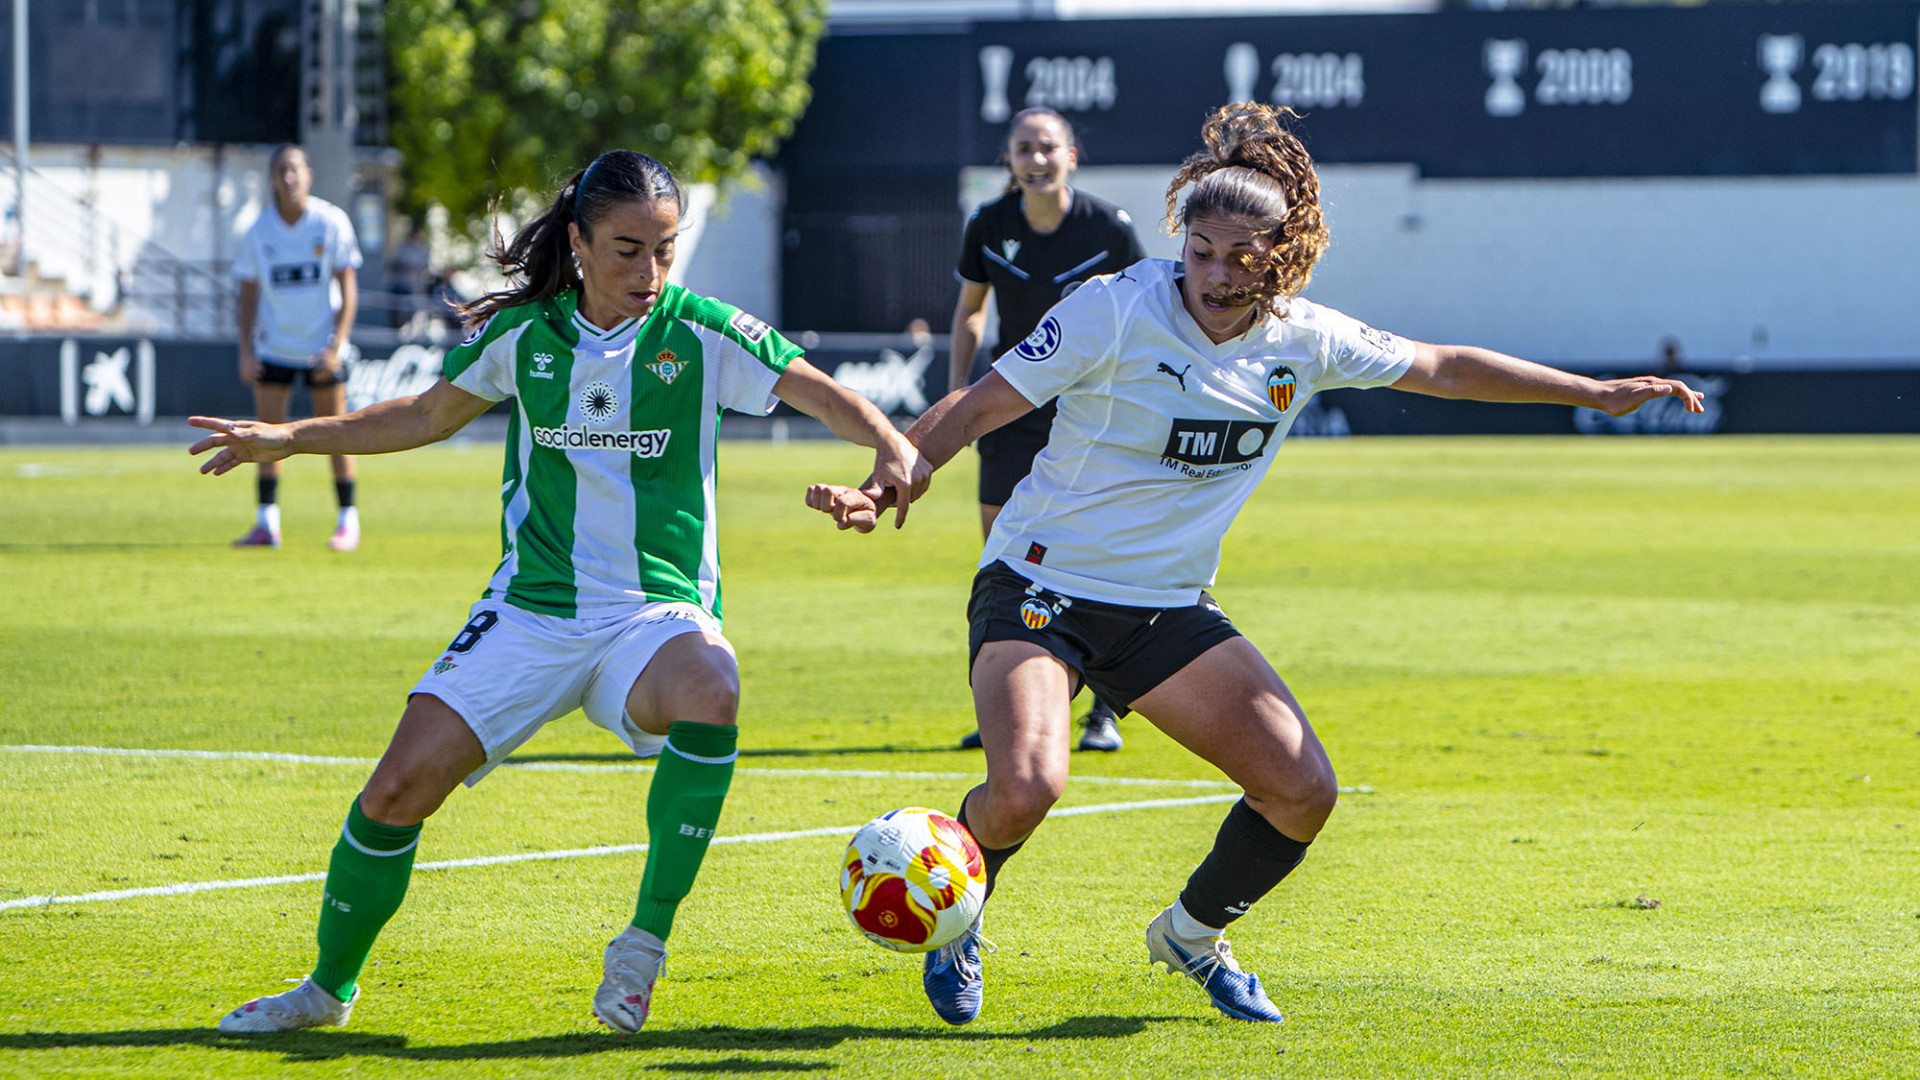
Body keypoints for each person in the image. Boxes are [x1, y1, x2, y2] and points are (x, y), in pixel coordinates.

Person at [808, 102, 1703, 1026]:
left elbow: (1440, 367)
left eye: (1242, 256)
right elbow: (976, 408)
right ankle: (958, 919)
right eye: (1201, 251)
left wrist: (1592, 392)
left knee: (1301, 791)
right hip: (1042, 582)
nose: (1216, 273)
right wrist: (887, 482)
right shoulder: (1116, 307)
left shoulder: (1303, 337)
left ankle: (1192, 934)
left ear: (1282, 254)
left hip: (1162, 607)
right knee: (1027, 788)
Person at [193, 150, 919, 1035]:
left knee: (713, 686)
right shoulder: (524, 335)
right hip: (530, 612)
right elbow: (424, 415)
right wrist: (291, 437)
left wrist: (887, 445)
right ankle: (325, 990)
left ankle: (642, 947)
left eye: (665, 249)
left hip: (652, 614)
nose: (651, 272)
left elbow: (824, 393)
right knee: (393, 794)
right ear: (577, 241)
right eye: (628, 250)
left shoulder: (701, 332)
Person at [950, 106, 1146, 753]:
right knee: (1001, 557)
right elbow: (970, 312)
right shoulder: (988, 223)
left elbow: (1146, 312)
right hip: (1011, 406)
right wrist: (959, 392)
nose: (1036, 159)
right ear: (1008, 159)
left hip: (1090, 409)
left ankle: (1102, 711)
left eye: (1047, 147)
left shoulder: (1109, 227)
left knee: (1096, 552)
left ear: (1071, 156)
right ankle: (1007, 711)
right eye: (1023, 148)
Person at [231, 144, 365, 551]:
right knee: (266, 436)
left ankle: (347, 522)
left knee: (337, 433)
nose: (288, 178)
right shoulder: (258, 231)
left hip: (321, 350)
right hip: (275, 348)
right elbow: (248, 293)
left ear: (309, 174)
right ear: (271, 179)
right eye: (281, 171)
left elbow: (349, 289)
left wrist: (337, 347)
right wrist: (245, 350)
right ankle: (266, 524)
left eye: (295, 169)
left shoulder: (330, 222)